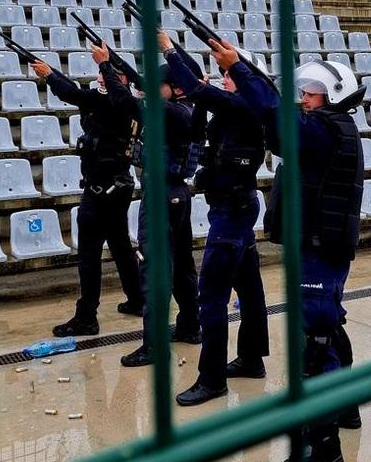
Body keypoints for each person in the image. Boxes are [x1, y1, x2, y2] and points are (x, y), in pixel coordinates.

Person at [209, 40, 365, 462]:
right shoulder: (329, 127)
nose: (305, 99)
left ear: (333, 96)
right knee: (327, 325)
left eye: (312, 92)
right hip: (319, 245)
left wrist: (239, 69)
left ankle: (323, 443)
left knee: (315, 340)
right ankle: (343, 409)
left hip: (320, 248)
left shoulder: (327, 128)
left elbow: (276, 115)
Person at [155, 30, 270, 406]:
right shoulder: (241, 105)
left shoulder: (244, 106)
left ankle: (212, 378)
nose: (224, 78)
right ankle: (252, 358)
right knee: (249, 290)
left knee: (212, 297)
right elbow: (203, 91)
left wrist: (170, 51)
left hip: (231, 212)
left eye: (231, 75)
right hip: (236, 206)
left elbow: (199, 89)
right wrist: (181, 55)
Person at [31, 43, 143, 336]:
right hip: (114, 186)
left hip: (103, 190)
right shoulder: (105, 100)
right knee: (120, 246)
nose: (100, 78)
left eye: (108, 76)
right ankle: (138, 298)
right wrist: (51, 73)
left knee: (90, 254)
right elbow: (76, 94)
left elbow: (80, 95)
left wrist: (52, 77)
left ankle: (87, 317)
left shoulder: (123, 104)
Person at [121, 45, 206, 368]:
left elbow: (132, 101)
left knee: (155, 268)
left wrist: (111, 72)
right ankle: (189, 325)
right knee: (183, 264)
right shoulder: (188, 109)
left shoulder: (176, 112)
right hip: (176, 194)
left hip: (161, 194)